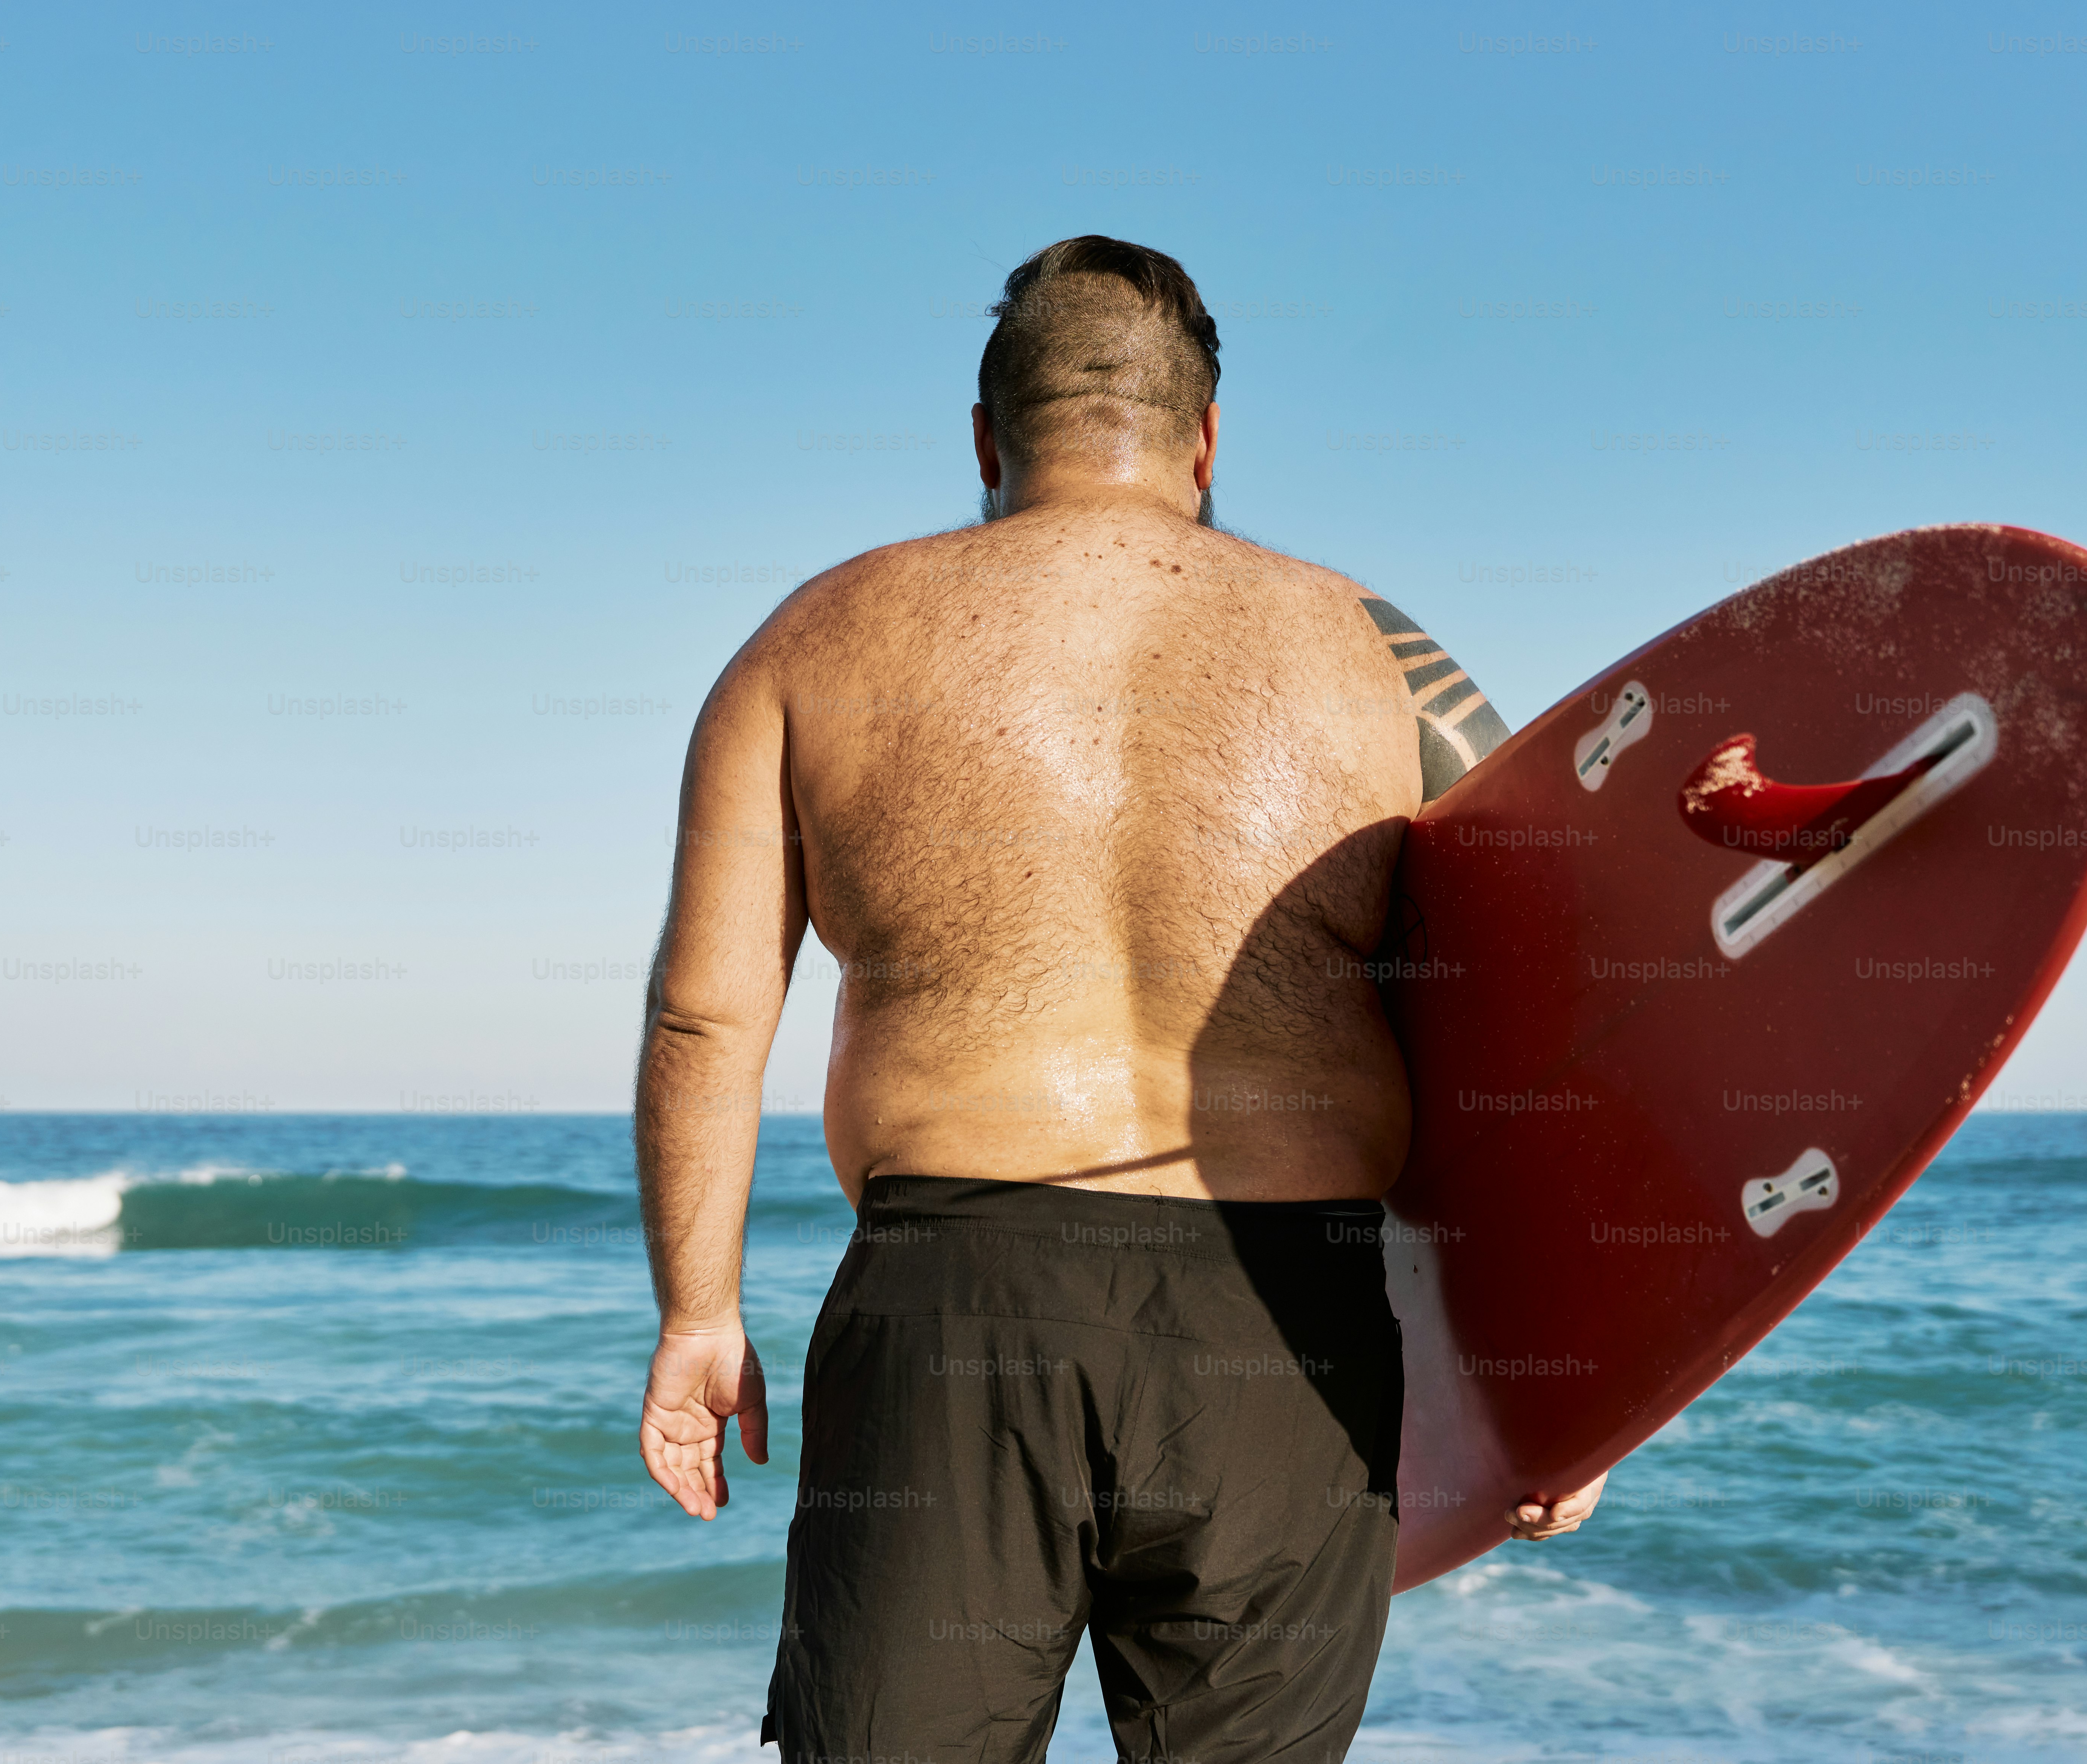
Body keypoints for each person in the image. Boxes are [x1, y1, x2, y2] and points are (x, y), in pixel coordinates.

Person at [632, 235, 1603, 1762]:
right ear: (1206, 440)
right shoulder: (1382, 652)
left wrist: (699, 1312)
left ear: (985, 440)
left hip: (957, 1296)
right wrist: (1573, 1371)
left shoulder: (813, 641)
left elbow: (705, 1017)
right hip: (1287, 1320)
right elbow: (1549, 1001)